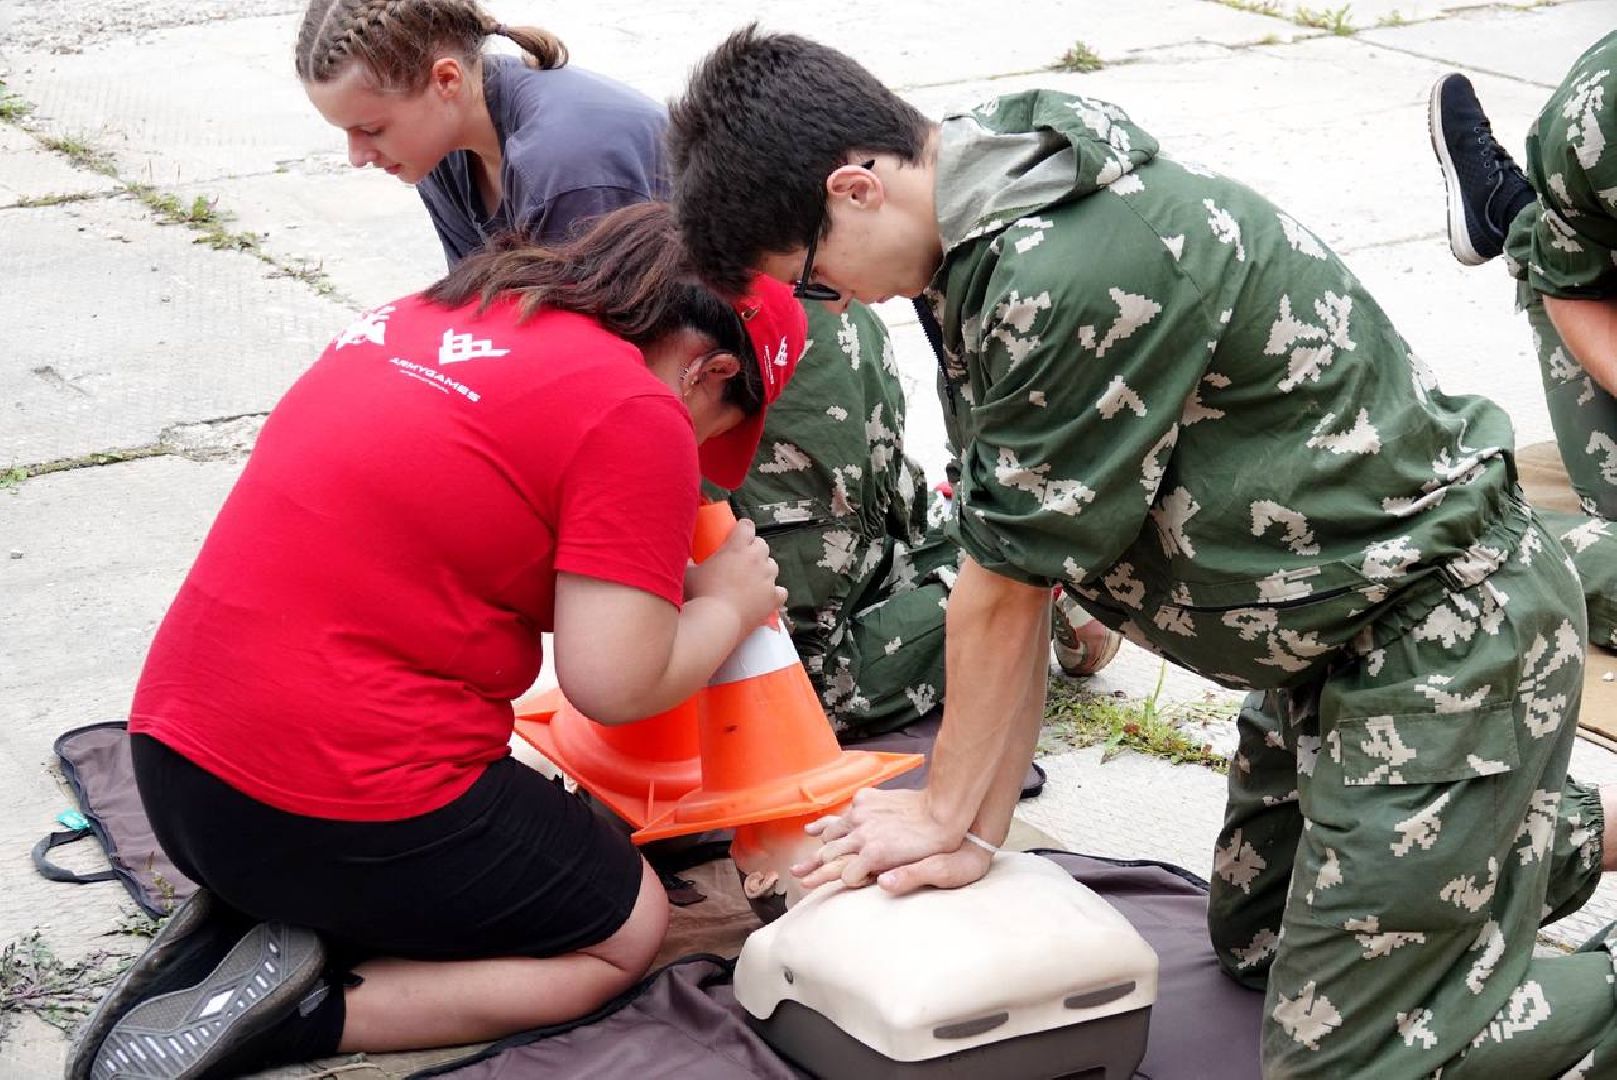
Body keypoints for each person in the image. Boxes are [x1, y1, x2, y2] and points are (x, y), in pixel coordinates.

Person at [665, 27, 1617, 1077]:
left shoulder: (1059, 266)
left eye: (809, 276)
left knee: (1346, 1062)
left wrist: (950, 820)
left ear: (855, 188)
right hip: (1323, 654)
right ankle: (1518, 833)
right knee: (1259, 943)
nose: (833, 303)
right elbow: (1013, 549)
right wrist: (963, 826)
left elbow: (1007, 588)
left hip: (1438, 643)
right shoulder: (979, 210)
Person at [66, 202, 806, 1080]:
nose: (694, 464)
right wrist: (725, 601)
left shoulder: (437, 311)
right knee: (621, 929)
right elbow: (614, 683)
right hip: (330, 807)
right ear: (708, 370)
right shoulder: (636, 409)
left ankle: (268, 925)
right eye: (711, 436)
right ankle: (300, 1014)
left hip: (179, 772)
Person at [294, 0, 1118, 739]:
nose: (357, 155)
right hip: (697, 375)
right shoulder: (444, 153)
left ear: (445, 80)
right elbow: (505, 327)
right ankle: (943, 554)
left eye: (369, 128)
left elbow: (609, 397)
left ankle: (1026, 597)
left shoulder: (570, 158)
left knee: (796, 680)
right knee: (717, 633)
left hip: (779, 364)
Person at [1429, 39, 1617, 649]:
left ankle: (1511, 208)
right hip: (1596, 282)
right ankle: (1418, 527)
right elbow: (1578, 293)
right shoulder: (1598, 119)